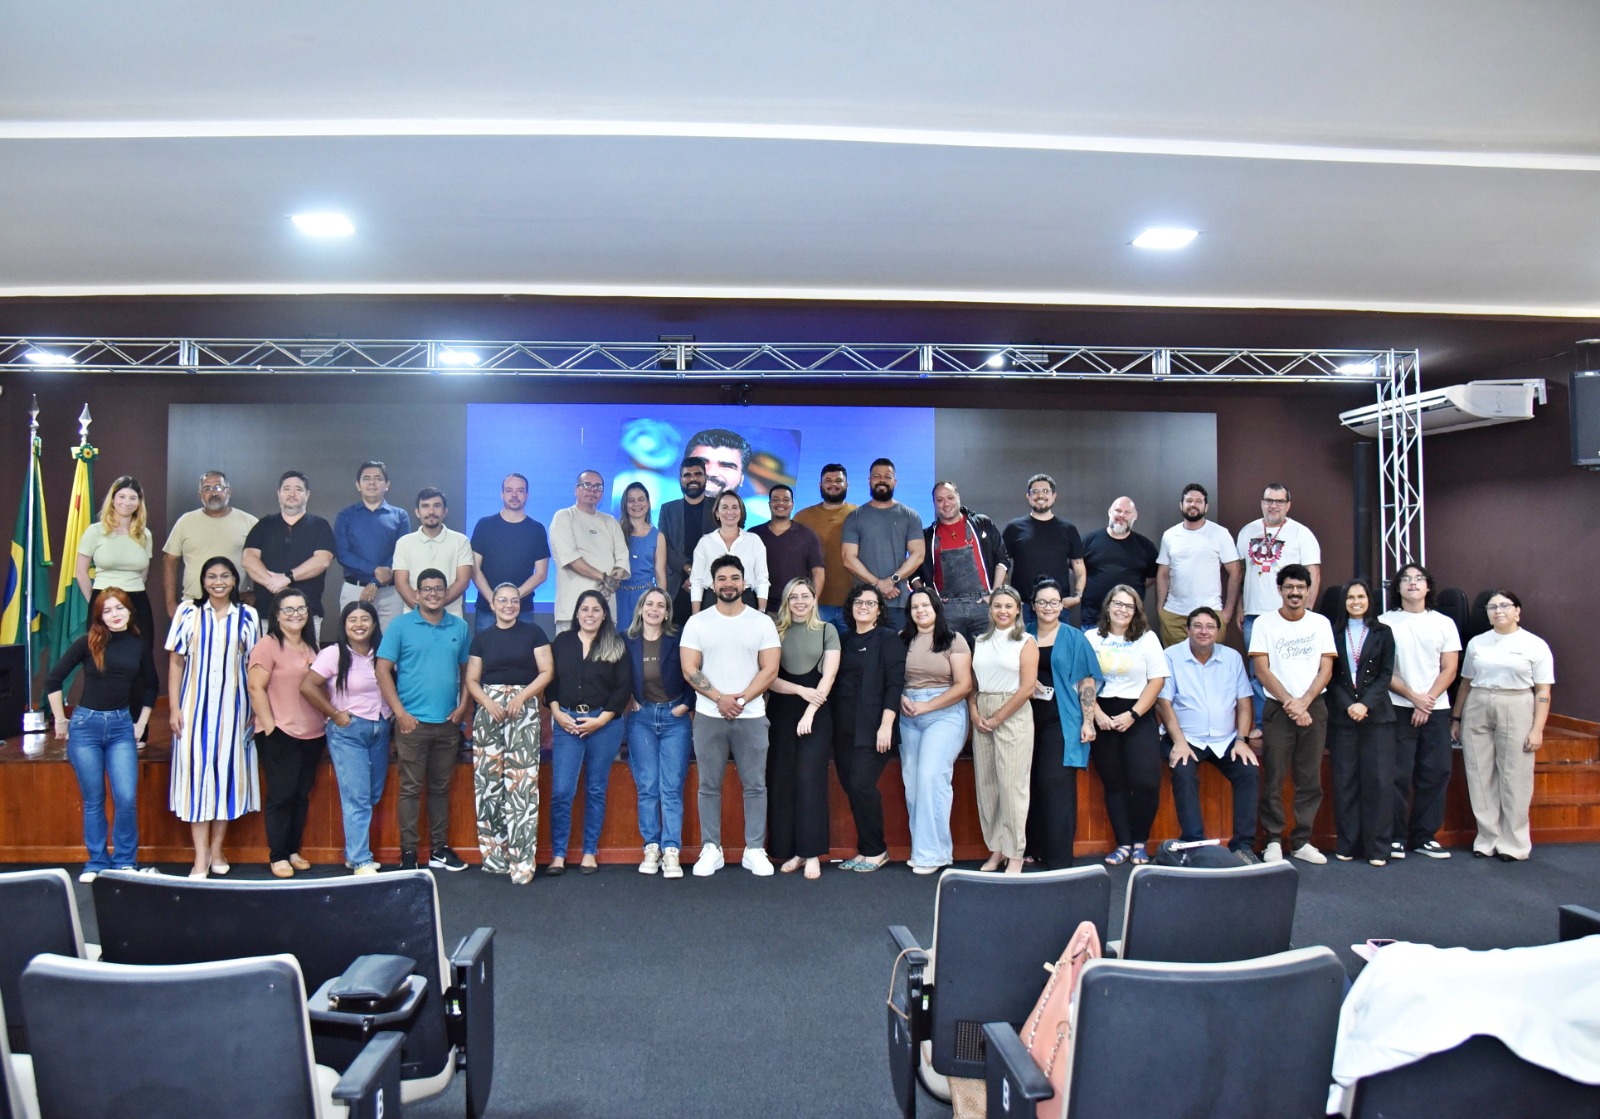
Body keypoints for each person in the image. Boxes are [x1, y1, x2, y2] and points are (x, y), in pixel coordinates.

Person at [44, 588, 158, 881]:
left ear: (129, 611)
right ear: (99, 617)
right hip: (86, 727)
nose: (114, 615)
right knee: (94, 799)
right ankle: (96, 862)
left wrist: (140, 724)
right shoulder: (88, 642)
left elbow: (151, 686)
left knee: (126, 797)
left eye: (119, 608)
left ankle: (124, 861)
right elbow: (54, 679)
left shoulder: (138, 645)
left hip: (121, 728)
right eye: (107, 611)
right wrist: (60, 720)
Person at [679, 555, 781, 877]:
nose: (728, 584)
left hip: (751, 716)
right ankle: (712, 849)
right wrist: (719, 699)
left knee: (755, 785)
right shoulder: (698, 623)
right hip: (709, 715)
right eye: (721, 578)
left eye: (735, 578)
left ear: (745, 583)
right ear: (712, 585)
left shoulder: (762, 622)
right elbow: (689, 668)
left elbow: (770, 669)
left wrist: (740, 699)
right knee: (709, 785)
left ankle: (754, 850)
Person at [166, 556, 259, 878]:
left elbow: (254, 665)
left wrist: (255, 710)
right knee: (196, 781)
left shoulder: (248, 615)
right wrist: (174, 708)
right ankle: (199, 857)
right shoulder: (187, 612)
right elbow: (176, 661)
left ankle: (217, 851)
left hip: (235, 711)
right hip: (192, 710)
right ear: (203, 581)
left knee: (225, 780)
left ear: (234, 580)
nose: (218, 582)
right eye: (211, 576)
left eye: (225, 576)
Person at [376, 568, 472, 872]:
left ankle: (439, 850)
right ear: (417, 594)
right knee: (410, 789)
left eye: (438, 589)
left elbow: (468, 671)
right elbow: (382, 670)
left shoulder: (459, 626)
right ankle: (408, 854)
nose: (433, 594)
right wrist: (400, 714)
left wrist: (463, 707)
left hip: (448, 723)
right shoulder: (400, 625)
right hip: (412, 724)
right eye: (427, 589)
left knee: (440, 789)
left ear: (447, 593)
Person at [1453, 590, 1554, 863]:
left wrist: (1537, 729)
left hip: (1517, 703)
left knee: (1515, 776)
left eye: (1504, 606)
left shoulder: (1535, 645)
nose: (1498, 611)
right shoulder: (1477, 643)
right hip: (1478, 703)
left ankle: (1514, 843)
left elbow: (1543, 690)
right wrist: (1456, 717)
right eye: (1492, 607)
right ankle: (1487, 838)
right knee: (1479, 773)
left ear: (1517, 611)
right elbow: (1466, 683)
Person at [465, 582, 554, 883]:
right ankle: (495, 859)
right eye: (502, 600)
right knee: (488, 785)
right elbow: (472, 680)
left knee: (522, 787)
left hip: (523, 709)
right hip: (488, 710)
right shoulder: (482, 638)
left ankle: (522, 864)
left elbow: (547, 671)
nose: (508, 605)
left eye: (514, 600)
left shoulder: (534, 633)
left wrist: (521, 697)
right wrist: (488, 702)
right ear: (492, 605)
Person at [1156, 606, 1260, 860]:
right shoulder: (1170, 656)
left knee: (1249, 771)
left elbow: (1244, 703)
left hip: (1226, 740)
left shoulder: (1232, 658)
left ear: (1218, 631)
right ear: (1187, 630)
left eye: (1210, 627)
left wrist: (1242, 739)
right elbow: (1163, 703)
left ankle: (1243, 846)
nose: (1204, 631)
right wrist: (1179, 742)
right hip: (1186, 737)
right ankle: (1194, 846)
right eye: (1198, 626)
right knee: (1183, 770)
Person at [1249, 563, 1337, 864]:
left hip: (1314, 706)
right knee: (1273, 776)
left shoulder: (1320, 623)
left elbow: (1326, 668)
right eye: (1289, 587)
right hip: (1278, 708)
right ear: (1280, 590)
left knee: (1309, 778)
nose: (1295, 592)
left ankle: (1302, 841)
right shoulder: (1264, 623)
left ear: (1308, 590)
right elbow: (1262, 670)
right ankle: (1273, 840)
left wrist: (1305, 702)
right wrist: (1291, 703)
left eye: (1300, 587)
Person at [300, 600, 391, 875]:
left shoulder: (384, 652)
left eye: (365, 619)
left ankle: (354, 853)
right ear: (344, 624)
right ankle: (361, 860)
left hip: (381, 728)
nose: (359, 624)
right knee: (357, 797)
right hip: (348, 731)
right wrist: (335, 714)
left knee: (372, 793)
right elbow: (307, 686)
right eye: (353, 619)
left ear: (374, 624)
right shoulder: (333, 653)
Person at [1379, 561, 1462, 861]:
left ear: (1428, 587)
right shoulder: (1384, 622)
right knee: (1397, 775)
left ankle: (1424, 837)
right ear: (1397, 587)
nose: (1412, 582)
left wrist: (1428, 701)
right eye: (1405, 579)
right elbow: (1383, 671)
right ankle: (1395, 837)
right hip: (1398, 707)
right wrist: (1414, 697)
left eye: (1419, 578)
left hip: (1436, 709)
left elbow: (1450, 668)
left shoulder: (1444, 623)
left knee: (1435, 773)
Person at [546, 589, 632, 875]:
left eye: (596, 609)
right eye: (584, 609)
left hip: (604, 725)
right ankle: (558, 854)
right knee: (562, 791)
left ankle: (589, 852)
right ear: (577, 613)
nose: (590, 614)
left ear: (604, 614)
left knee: (595, 789)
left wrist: (600, 720)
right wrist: (557, 712)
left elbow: (623, 688)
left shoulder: (616, 643)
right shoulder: (563, 641)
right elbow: (551, 681)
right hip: (567, 722)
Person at [246, 589, 326, 878]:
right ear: (277, 615)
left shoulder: (311, 646)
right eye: (288, 609)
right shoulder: (267, 645)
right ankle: (278, 855)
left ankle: (293, 851)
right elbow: (255, 687)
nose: (296, 614)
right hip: (280, 731)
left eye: (301, 608)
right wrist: (269, 726)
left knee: (301, 795)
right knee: (281, 795)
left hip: (313, 733)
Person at [1086, 584, 1169, 865]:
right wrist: (1096, 714)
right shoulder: (1091, 637)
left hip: (1138, 714)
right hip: (1103, 717)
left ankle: (1139, 843)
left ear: (1136, 611)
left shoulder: (1147, 638)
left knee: (1146, 782)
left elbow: (1157, 680)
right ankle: (1123, 844)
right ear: (1108, 606)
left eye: (1129, 606)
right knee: (1115, 784)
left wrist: (1132, 715)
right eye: (1118, 604)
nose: (1122, 610)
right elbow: (1083, 679)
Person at [1024, 577, 1101, 870]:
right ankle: (1033, 848)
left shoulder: (1074, 638)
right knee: (1027, 783)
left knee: (1054, 782)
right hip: (1023, 718)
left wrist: (1088, 721)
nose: (1048, 607)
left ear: (1062, 605)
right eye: (1042, 601)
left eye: (1054, 602)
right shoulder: (1023, 634)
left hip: (1061, 719)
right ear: (1033, 606)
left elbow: (1087, 682)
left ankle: (1058, 859)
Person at [831, 583, 908, 872]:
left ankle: (877, 850)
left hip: (875, 728)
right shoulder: (843, 639)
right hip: (843, 728)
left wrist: (887, 724)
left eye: (870, 603)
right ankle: (864, 850)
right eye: (858, 602)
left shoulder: (888, 639)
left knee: (862, 786)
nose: (863, 607)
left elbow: (894, 684)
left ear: (879, 610)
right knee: (852, 787)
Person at [767, 578, 841, 879]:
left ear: (814, 599)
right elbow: (769, 678)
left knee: (809, 779)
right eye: (793, 597)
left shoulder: (827, 630)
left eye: (805, 596)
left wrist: (810, 711)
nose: (800, 601)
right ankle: (791, 850)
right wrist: (800, 691)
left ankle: (811, 853)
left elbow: (828, 677)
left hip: (817, 713)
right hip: (782, 711)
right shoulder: (775, 631)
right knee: (782, 779)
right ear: (786, 601)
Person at [896, 588, 972, 874]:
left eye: (925, 605)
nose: (920, 611)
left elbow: (964, 685)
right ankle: (928, 851)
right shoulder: (901, 640)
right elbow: (891, 678)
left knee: (931, 777)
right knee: (914, 784)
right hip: (908, 713)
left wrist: (928, 706)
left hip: (945, 713)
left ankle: (931, 855)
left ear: (936, 608)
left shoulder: (953, 639)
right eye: (915, 607)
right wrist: (900, 698)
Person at [1235, 483, 1322, 733]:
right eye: (1269, 500)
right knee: (1257, 672)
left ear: (1288, 505)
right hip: (1254, 615)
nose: (1273, 505)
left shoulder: (1301, 534)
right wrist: (1240, 606)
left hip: (1289, 616)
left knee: (1289, 669)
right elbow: (1240, 573)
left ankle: (1294, 717)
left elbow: (1313, 575)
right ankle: (1264, 725)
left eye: (1279, 501)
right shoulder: (1247, 531)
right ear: (1262, 503)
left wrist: (1306, 613)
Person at [624, 588, 696, 878]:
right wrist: (626, 698)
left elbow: (694, 673)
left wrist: (687, 705)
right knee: (647, 786)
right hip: (640, 719)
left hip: (674, 718)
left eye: (660, 605)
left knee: (671, 788)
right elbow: (617, 677)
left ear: (667, 612)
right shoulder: (626, 641)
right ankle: (651, 847)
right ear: (641, 608)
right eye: (649, 604)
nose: (654, 609)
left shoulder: (678, 640)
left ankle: (671, 850)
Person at [1326, 580, 1397, 867]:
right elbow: (1330, 676)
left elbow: (1386, 674)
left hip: (1377, 716)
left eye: (1361, 596)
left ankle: (1378, 848)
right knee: (1345, 781)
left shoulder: (1384, 632)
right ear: (1343, 602)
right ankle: (1348, 844)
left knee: (1378, 782)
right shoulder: (1332, 632)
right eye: (1350, 597)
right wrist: (1349, 704)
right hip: (1342, 717)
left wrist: (1365, 704)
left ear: (1369, 600)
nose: (1356, 601)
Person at [969, 585, 1039, 874]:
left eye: (1008, 606)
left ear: (1018, 610)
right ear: (990, 609)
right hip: (983, 708)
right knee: (988, 786)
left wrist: (998, 718)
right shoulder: (980, 641)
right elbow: (973, 684)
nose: (1002, 611)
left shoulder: (1026, 641)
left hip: (1012, 711)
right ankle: (997, 850)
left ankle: (1015, 854)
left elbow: (1027, 688)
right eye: (997, 605)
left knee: (1012, 787)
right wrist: (974, 712)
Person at [75, 475, 157, 661]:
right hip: (103, 599)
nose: (127, 502)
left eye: (132, 498)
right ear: (112, 499)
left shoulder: (145, 534)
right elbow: (81, 572)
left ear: (139, 502)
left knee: (141, 656)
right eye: (122, 496)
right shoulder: (95, 531)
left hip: (137, 602)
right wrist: (96, 602)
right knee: (102, 656)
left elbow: (143, 573)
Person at [920, 480, 1009, 646]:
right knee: (951, 659)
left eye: (950, 497)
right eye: (940, 500)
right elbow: (916, 575)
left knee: (988, 657)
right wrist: (933, 600)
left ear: (958, 497)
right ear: (934, 504)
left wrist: (994, 594)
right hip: (947, 611)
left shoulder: (982, 524)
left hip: (983, 606)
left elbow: (1002, 559)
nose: (946, 504)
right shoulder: (928, 537)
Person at [841, 458, 925, 630]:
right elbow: (848, 558)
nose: (882, 480)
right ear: (869, 481)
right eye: (877, 476)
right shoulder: (855, 517)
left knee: (898, 647)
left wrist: (893, 579)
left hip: (898, 604)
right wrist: (878, 584)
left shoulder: (910, 516)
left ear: (895, 481)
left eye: (887, 477)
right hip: (864, 604)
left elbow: (918, 554)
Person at [243, 470, 337, 623]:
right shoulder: (264, 524)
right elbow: (249, 559)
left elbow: (322, 561)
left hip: (306, 614)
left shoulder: (320, 525)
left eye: (298, 489)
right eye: (287, 489)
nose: (292, 494)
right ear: (279, 493)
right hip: (267, 614)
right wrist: (276, 586)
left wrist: (287, 577)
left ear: (307, 494)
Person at [1154, 483, 1241, 648]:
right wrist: (1160, 610)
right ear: (1181, 505)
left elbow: (1235, 572)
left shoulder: (1220, 533)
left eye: (1198, 501)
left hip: (1210, 614)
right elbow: (1163, 574)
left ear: (1206, 507)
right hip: (1173, 615)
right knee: (1174, 662)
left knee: (1210, 662)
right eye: (1189, 501)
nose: (1193, 505)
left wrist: (1227, 613)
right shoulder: (1169, 535)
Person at [162, 469, 257, 620]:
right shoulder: (185, 522)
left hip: (235, 607)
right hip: (193, 606)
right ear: (200, 494)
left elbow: (264, 561)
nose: (213, 493)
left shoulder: (250, 522)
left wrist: (256, 593)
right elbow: (170, 561)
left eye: (218, 487)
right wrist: (170, 603)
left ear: (229, 491)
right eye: (207, 488)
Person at [334, 460, 411, 629]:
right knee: (353, 638)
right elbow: (342, 553)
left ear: (387, 484)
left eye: (378, 478)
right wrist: (375, 570)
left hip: (391, 593)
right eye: (366, 478)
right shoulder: (345, 516)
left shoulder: (400, 516)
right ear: (358, 485)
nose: (372, 483)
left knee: (391, 641)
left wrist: (375, 582)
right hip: (354, 589)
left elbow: (402, 553)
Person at [550, 470, 629, 632]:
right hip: (572, 611)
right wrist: (604, 578)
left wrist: (609, 585)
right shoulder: (564, 517)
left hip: (605, 609)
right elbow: (571, 560)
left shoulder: (611, 522)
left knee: (606, 649)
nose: (592, 490)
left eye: (598, 487)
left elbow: (622, 559)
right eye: (587, 485)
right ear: (576, 489)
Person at [469, 472, 551, 630]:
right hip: (487, 610)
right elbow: (474, 569)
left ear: (527, 495)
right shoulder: (484, 525)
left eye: (520, 490)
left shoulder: (537, 529)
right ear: (502, 494)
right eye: (509, 490)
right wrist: (494, 600)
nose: (514, 495)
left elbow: (541, 574)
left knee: (523, 647)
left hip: (523, 610)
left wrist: (512, 599)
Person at [1002, 474, 1085, 625]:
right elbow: (1002, 567)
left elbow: (1078, 566)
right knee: (1021, 642)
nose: (1040, 495)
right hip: (1023, 607)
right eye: (1035, 491)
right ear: (1028, 496)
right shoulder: (1013, 528)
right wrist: (1009, 598)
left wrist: (1077, 597)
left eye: (1046, 491)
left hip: (1057, 607)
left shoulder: (1068, 529)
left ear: (1054, 496)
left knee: (1059, 642)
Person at [392, 487, 475, 617]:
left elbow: (463, 581)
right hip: (414, 617)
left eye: (436, 506)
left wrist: (435, 608)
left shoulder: (461, 541)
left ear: (445, 511)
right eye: (425, 506)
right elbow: (401, 583)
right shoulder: (404, 543)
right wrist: (423, 610)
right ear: (417, 512)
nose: (431, 511)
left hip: (451, 617)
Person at [1080, 496, 1159, 632]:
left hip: (1131, 622)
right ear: (1110, 512)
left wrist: (1130, 589)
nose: (1122, 515)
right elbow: (1076, 572)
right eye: (1118, 510)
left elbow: (1152, 577)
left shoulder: (1146, 546)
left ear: (1135, 516)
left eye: (1127, 512)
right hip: (1093, 620)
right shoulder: (1088, 541)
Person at [793, 463, 857, 628]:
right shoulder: (802, 517)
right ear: (820, 485)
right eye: (828, 480)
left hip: (853, 604)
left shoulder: (859, 515)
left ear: (847, 485)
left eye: (838, 481)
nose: (833, 484)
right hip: (815, 603)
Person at [689, 491, 770, 613]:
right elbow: (697, 581)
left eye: (735, 507)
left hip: (746, 600)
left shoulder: (754, 540)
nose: (730, 512)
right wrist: (696, 615)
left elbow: (762, 579)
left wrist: (761, 610)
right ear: (717, 513)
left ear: (741, 512)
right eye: (725, 507)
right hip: (712, 601)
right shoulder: (705, 542)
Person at [751, 484, 825, 615]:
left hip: (796, 610)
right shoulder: (754, 535)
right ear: (769, 504)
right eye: (776, 499)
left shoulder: (808, 535)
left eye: (786, 500)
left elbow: (818, 573)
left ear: (792, 504)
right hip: (761, 610)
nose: (781, 503)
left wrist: (811, 604)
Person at [659, 455, 713, 623]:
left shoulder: (718, 507)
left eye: (698, 474)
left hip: (710, 587)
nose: (692, 479)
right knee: (674, 636)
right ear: (680, 479)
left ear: (705, 477)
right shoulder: (668, 509)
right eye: (687, 475)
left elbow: (723, 546)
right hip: (677, 587)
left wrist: (698, 575)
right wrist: (690, 570)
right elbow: (665, 548)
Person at [617, 481, 668, 628]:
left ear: (648, 503)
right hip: (617, 597)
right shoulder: (615, 531)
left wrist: (661, 605)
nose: (636, 504)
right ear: (625, 505)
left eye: (641, 499)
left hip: (645, 600)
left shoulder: (658, 536)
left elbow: (660, 575)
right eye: (631, 500)